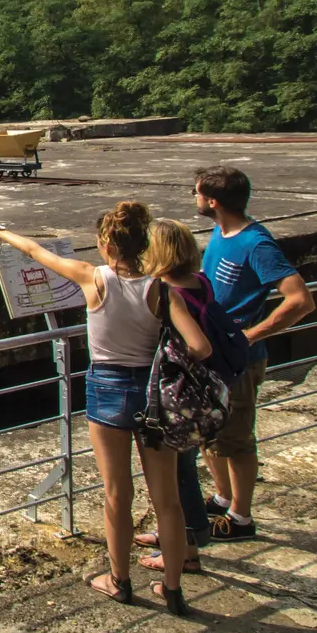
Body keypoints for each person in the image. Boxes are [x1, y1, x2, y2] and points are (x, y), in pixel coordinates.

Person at [0, 203, 212, 614]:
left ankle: (118, 579)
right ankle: (172, 589)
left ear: (105, 244)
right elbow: (200, 347)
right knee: (168, 499)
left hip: (107, 386)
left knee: (116, 494)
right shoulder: (161, 289)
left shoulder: (93, 278)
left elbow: (37, 252)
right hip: (153, 392)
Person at [189, 165, 314, 543]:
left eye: (196, 193)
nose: (193, 199)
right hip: (211, 355)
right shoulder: (221, 231)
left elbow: (300, 300)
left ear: (212, 201)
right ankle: (223, 497)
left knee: (238, 438)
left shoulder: (256, 243)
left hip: (237, 360)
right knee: (210, 437)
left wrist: (248, 336)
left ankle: (241, 517)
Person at [133, 218, 216, 574]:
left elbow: (198, 345)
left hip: (177, 395)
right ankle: (178, 538)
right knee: (184, 471)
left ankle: (186, 551)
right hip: (199, 394)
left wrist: (177, 361)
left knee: (178, 476)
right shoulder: (199, 283)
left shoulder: (170, 292)